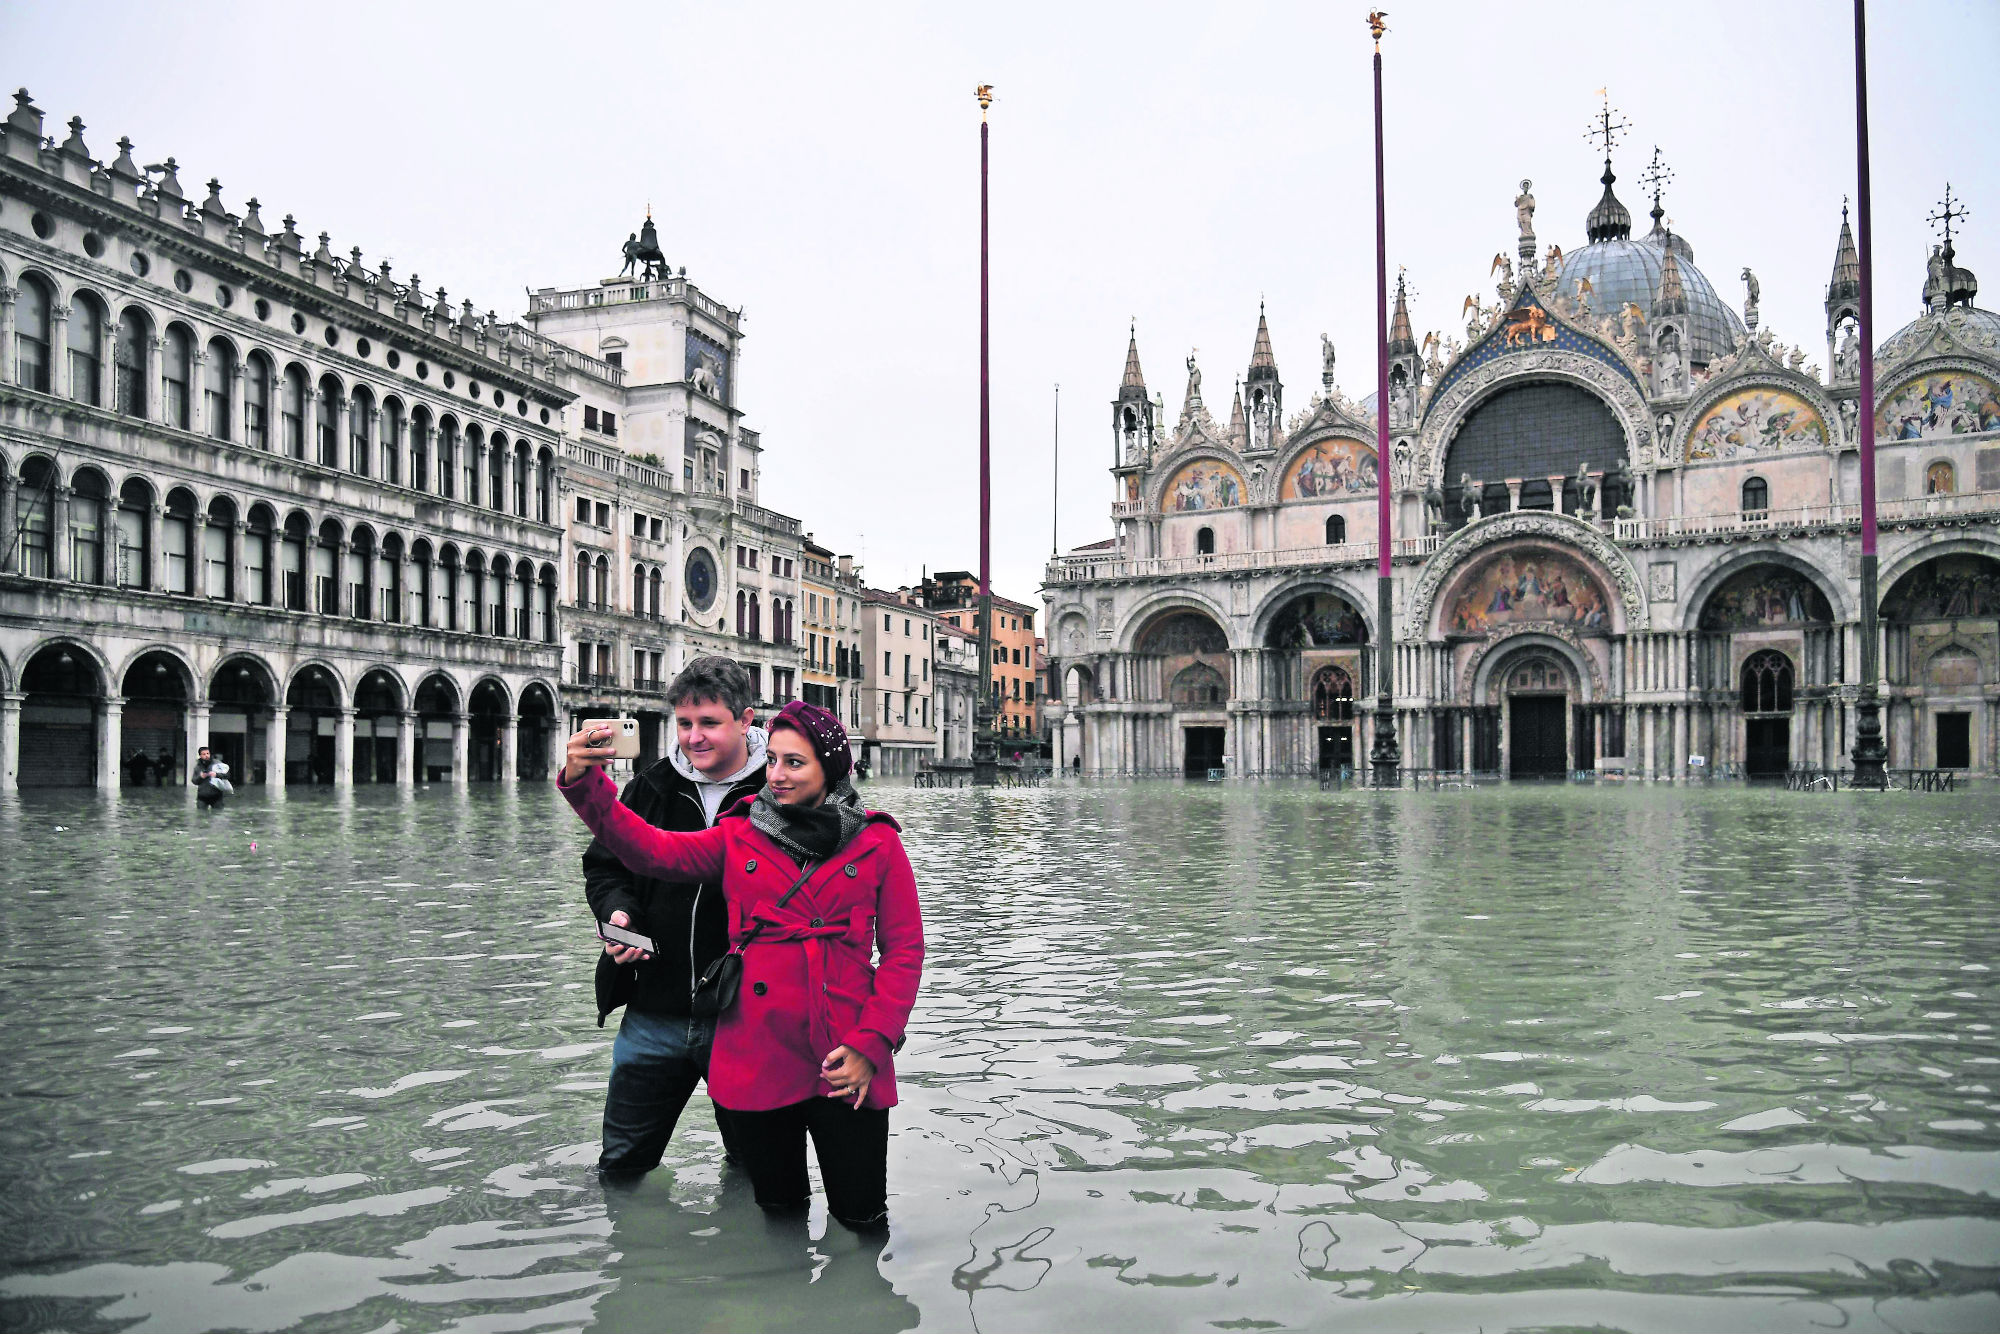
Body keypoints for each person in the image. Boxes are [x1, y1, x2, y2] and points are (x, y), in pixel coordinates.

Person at [559, 700, 922, 1229]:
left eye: (794, 762)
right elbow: (650, 851)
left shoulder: (878, 842)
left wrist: (873, 1044)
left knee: (863, 1218)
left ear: (831, 767)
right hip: (758, 1051)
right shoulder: (739, 835)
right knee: (778, 1213)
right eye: (772, 759)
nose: (775, 774)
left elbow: (904, 952)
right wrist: (585, 784)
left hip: (846, 1051)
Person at [586, 656, 772, 1181]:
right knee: (621, 1167)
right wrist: (617, 917)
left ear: (745, 720)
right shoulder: (649, 786)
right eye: (685, 724)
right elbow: (604, 868)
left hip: (746, 1018)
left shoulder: (779, 792)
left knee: (755, 1169)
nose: (694, 737)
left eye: (709, 722)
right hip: (653, 1007)